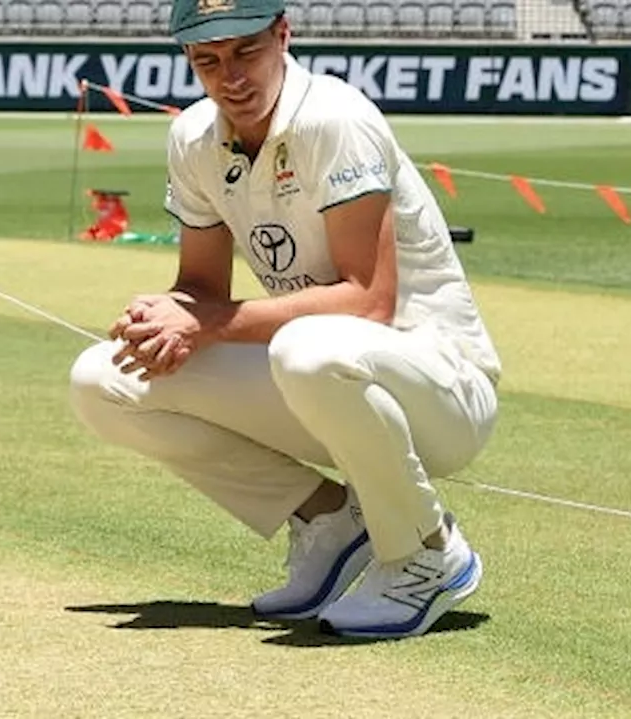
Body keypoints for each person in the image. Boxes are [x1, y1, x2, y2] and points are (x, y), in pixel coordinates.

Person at [68, 0, 502, 638]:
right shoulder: (193, 137)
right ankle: (330, 522)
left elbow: (366, 301)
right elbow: (201, 289)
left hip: (440, 388)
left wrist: (205, 321)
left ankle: (426, 552)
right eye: (207, 61)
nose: (231, 77)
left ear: (282, 34)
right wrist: (165, 317)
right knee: (103, 380)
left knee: (309, 349)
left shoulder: (334, 117)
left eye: (246, 51)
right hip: (323, 381)